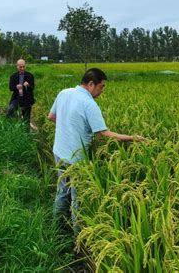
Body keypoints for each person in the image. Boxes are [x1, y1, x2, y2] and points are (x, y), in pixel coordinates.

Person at [47, 68, 146, 230]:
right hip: (76, 159)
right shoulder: (89, 104)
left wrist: (69, 127)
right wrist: (131, 138)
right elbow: (103, 134)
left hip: (59, 151)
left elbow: (51, 117)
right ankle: (77, 240)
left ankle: (55, 229)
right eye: (101, 87)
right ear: (91, 84)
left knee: (63, 190)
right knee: (77, 200)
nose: (102, 91)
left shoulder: (64, 93)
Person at [6, 59, 35, 123]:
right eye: (20, 67)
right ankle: (13, 124)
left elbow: (32, 87)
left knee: (26, 119)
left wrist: (28, 85)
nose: (22, 68)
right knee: (10, 110)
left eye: (23, 66)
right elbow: (11, 87)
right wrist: (16, 87)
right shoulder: (13, 76)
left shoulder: (30, 76)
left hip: (26, 98)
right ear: (17, 66)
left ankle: (26, 131)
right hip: (16, 98)